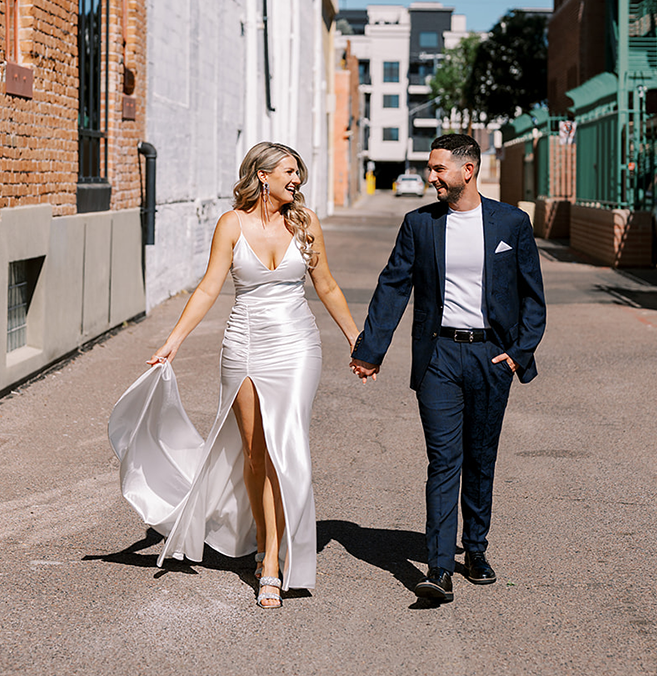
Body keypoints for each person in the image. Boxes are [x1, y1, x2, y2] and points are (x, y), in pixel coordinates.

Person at [108, 142, 359, 609]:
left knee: (289, 446)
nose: (298, 180)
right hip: (243, 345)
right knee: (254, 453)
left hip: (297, 345)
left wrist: (356, 339)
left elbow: (325, 284)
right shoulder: (231, 224)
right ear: (262, 175)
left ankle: (272, 564)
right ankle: (264, 539)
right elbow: (208, 287)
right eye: (290, 171)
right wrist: (173, 342)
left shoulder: (304, 223)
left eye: (299, 173)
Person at [350, 133, 546, 603]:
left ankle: (475, 550)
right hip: (438, 356)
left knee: (481, 458)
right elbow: (393, 286)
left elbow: (532, 297)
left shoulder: (511, 223)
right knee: (444, 461)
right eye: (431, 168)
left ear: (468, 170)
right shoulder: (419, 224)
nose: (430, 176)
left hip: (490, 356)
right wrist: (369, 350)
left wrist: (518, 352)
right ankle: (439, 569)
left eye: (439, 169)